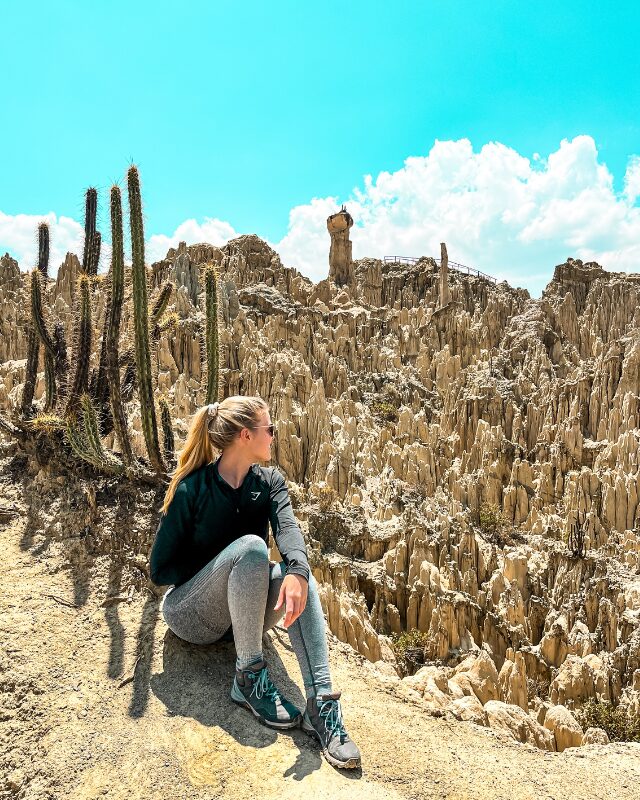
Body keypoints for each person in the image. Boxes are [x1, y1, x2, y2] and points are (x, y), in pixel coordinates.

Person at [149, 395, 361, 770]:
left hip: (242, 619)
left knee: (300, 577)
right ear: (246, 435)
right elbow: (160, 569)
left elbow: (288, 530)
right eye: (269, 429)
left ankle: (321, 705)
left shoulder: (269, 482)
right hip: (191, 615)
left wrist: (296, 572)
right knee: (251, 548)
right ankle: (248, 678)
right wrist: (220, 569)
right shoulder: (192, 488)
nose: (274, 435)